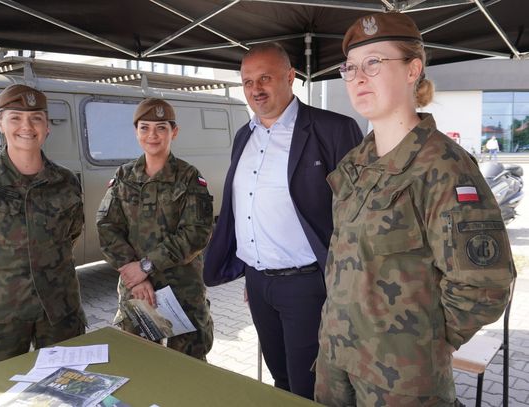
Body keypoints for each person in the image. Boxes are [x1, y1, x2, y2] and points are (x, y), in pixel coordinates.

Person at [315, 12, 516, 406]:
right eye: (351, 67)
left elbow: (484, 286)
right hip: (336, 362)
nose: (357, 77)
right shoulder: (354, 162)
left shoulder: (444, 166)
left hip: (401, 380)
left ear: (413, 70)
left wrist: (421, 340)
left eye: (374, 62)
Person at [203, 42, 363, 399]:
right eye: (247, 82)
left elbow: (357, 215)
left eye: (265, 78)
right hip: (258, 284)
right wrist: (252, 266)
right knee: (281, 381)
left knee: (310, 387)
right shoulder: (245, 135)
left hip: (308, 285)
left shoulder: (333, 129)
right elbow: (243, 206)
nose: (255, 89)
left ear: (291, 77)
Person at [96, 98, 214, 360]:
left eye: (161, 128)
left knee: (188, 370)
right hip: (137, 293)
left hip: (182, 294)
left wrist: (145, 266)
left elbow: (195, 234)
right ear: (136, 132)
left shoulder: (190, 178)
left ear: (174, 132)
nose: (152, 135)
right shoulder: (124, 177)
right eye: (145, 127)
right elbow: (107, 226)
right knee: (137, 364)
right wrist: (135, 275)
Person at [0, 84, 86, 365]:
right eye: (15, 117)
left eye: (36, 118)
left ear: (47, 127)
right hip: (0, 316)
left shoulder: (65, 181)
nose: (26, 126)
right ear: (0, 123)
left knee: (68, 386)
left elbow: (71, 234)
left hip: (60, 311)